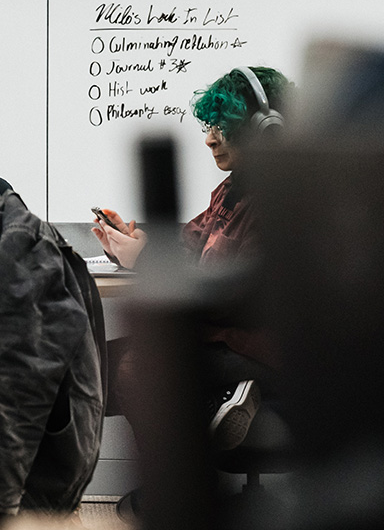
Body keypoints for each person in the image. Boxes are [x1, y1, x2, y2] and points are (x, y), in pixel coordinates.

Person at [93, 65, 293, 452]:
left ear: (264, 127)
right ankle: (214, 407)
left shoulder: (280, 199)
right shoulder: (231, 189)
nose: (209, 140)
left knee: (137, 370)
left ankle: (182, 500)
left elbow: (234, 298)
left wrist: (146, 260)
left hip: (252, 347)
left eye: (221, 126)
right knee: (93, 364)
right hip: (213, 337)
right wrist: (131, 240)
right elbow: (189, 243)